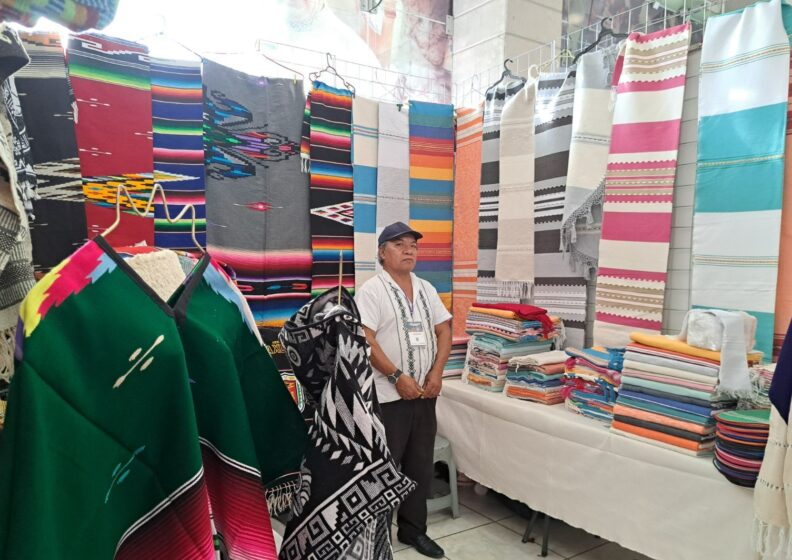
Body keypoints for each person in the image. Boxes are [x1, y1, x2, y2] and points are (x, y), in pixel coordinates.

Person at [355, 221, 452, 559]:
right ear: (382, 253)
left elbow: (444, 330)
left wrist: (437, 373)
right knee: (386, 467)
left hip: (425, 394)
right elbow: (365, 339)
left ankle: (413, 531)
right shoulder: (372, 290)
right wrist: (397, 376)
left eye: (413, 245)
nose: (409, 250)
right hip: (388, 397)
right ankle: (378, 536)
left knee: (419, 466)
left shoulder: (426, 288)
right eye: (399, 245)